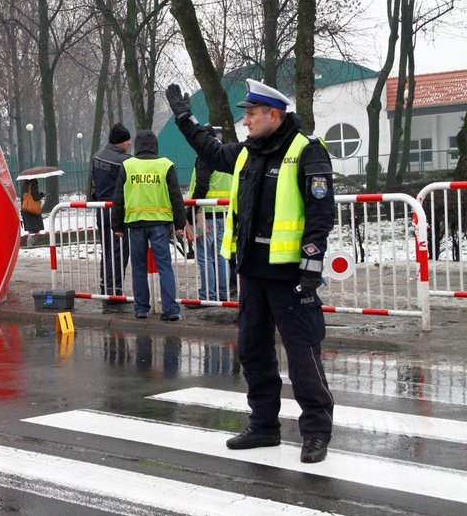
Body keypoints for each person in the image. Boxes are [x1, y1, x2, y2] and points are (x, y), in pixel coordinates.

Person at [166, 78, 335, 463]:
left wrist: (311, 261)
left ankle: (315, 433)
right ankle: (264, 426)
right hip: (252, 273)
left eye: (252, 115)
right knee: (253, 351)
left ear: (273, 115)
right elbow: (208, 148)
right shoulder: (248, 152)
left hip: (291, 276)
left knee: (303, 354)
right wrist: (183, 119)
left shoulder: (306, 151)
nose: (246, 122)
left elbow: (321, 212)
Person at [111, 129, 186, 322]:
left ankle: (141, 308)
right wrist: (180, 224)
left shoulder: (128, 166)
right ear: (155, 145)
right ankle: (170, 310)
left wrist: (117, 225)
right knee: (165, 267)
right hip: (160, 224)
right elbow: (176, 197)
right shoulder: (165, 165)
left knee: (138, 267)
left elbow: (118, 198)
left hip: (135, 224)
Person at [89, 123, 132, 310]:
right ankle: (114, 291)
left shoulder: (97, 156)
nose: (129, 143)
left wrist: (93, 200)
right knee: (119, 250)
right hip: (118, 211)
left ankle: (105, 286)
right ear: (119, 142)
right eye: (127, 140)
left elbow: (92, 185)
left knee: (107, 248)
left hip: (101, 208)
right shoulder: (125, 162)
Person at [187, 125, 232, 303]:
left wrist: (191, 213)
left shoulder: (207, 156)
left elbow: (202, 186)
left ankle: (208, 295)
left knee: (205, 257)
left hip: (204, 215)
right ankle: (223, 293)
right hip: (223, 214)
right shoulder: (226, 154)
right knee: (220, 256)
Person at [20, 178, 44, 247]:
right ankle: (30, 245)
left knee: (32, 230)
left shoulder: (25, 185)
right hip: (33, 211)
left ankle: (31, 245)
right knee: (34, 230)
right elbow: (36, 197)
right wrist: (42, 194)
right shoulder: (33, 184)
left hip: (26, 210)